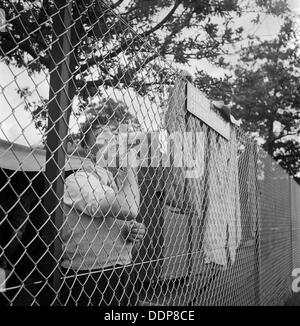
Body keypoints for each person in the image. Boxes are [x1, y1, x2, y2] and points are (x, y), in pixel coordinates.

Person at [59, 116, 146, 306]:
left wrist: (133, 234)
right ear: (88, 150)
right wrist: (131, 167)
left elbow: (128, 248)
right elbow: (129, 208)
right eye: (100, 136)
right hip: (89, 280)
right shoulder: (79, 179)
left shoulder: (115, 187)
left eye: (115, 135)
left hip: (122, 276)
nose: (111, 140)